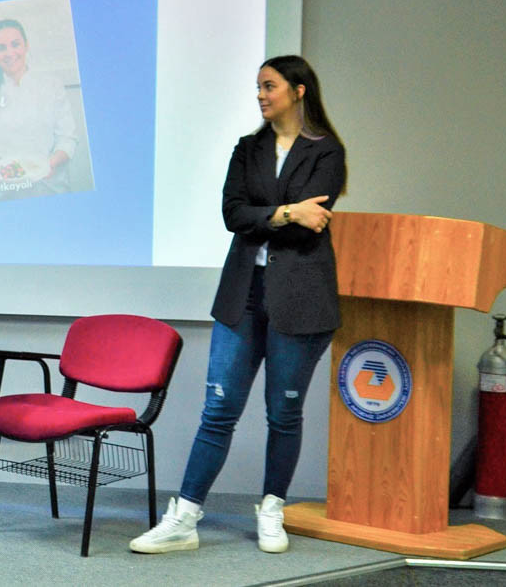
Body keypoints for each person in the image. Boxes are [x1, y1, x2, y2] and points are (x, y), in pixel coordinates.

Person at [130, 55, 346, 555]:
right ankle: (184, 517)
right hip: (243, 295)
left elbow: (317, 214)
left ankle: (272, 509)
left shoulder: (326, 151)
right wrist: (288, 211)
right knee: (219, 408)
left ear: (298, 91)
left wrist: (270, 214)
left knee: (283, 414)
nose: (260, 95)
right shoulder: (248, 150)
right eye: (257, 87)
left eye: (269, 86)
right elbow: (233, 214)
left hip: (300, 299)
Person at [0, 19, 77, 192]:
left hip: (49, 186)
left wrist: (49, 164)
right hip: (4, 190)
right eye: (1, 48)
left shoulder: (52, 86)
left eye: (15, 44)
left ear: (26, 46)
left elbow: (67, 139)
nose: (9, 53)